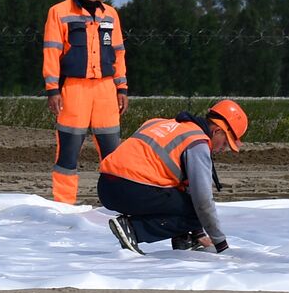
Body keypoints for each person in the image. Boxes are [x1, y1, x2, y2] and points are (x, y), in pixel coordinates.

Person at [101, 99, 249, 255]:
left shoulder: (160, 124)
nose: (222, 149)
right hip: (132, 189)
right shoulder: (197, 142)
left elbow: (180, 187)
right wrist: (221, 245)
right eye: (225, 142)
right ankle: (133, 229)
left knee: (182, 199)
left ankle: (184, 240)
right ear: (217, 131)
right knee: (198, 211)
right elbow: (203, 201)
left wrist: (197, 233)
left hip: (106, 186)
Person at [42, 0, 128, 204]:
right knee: (68, 153)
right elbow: (51, 52)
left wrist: (121, 87)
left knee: (113, 156)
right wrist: (52, 89)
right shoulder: (59, 12)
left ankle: (117, 204)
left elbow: (119, 53)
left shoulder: (111, 15)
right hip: (74, 90)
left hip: (106, 91)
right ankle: (64, 205)